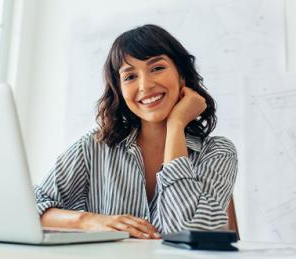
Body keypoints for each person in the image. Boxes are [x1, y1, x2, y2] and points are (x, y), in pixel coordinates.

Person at [34, 24, 238, 239]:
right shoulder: (93, 147)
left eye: (157, 68)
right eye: (130, 77)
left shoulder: (218, 152)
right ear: (119, 90)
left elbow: (188, 233)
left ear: (182, 76)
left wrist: (176, 125)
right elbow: (30, 209)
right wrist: (88, 220)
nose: (145, 85)